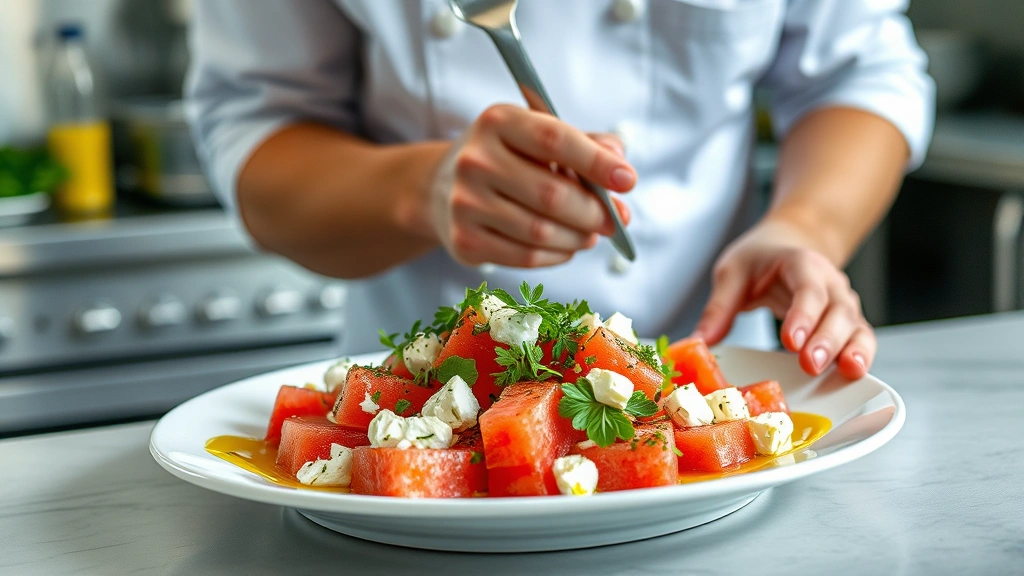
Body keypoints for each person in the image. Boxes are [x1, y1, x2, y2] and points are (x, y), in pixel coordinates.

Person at [187, 0, 933, 380]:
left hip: (710, 376)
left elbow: (861, 71)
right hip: (416, 410)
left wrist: (804, 227)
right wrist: (422, 189)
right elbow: (257, 127)